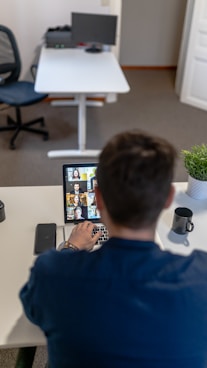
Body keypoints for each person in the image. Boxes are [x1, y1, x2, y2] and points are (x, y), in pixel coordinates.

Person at [19, 130, 207, 368]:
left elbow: (32, 312)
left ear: (97, 198)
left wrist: (72, 246)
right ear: (169, 198)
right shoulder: (201, 276)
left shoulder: (52, 273)